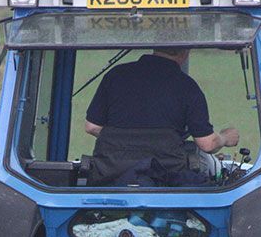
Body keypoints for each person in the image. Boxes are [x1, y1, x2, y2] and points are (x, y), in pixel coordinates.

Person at [83, 47, 239, 186]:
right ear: (185, 52)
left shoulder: (115, 75)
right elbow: (207, 144)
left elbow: (92, 126)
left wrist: (125, 143)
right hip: (166, 181)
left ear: (155, 47)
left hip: (110, 176)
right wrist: (225, 137)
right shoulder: (187, 86)